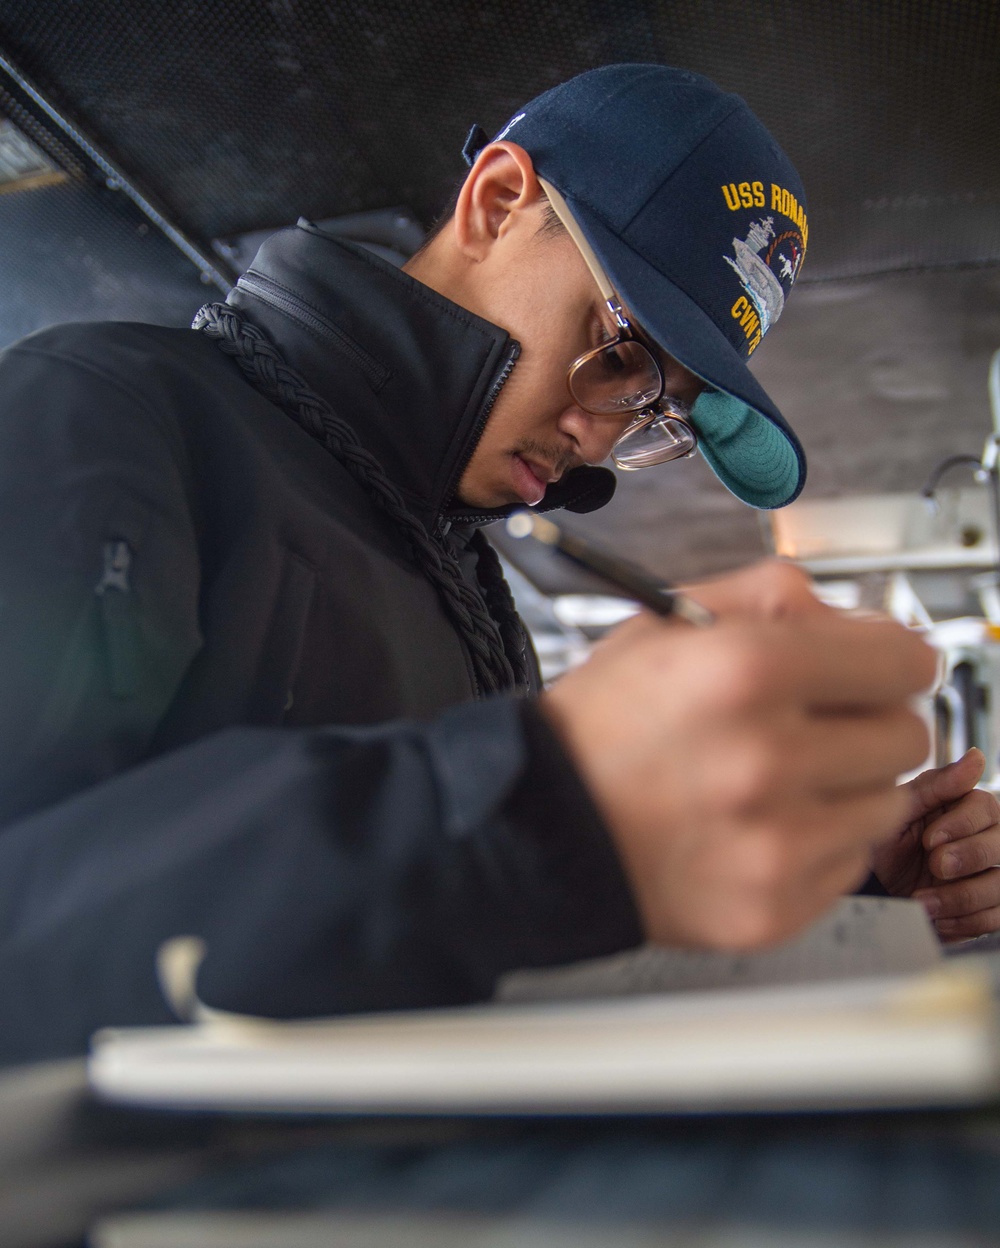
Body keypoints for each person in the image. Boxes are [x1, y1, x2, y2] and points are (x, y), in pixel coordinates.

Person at [0, 65, 996, 1065]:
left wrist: (834, 890)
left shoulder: (473, 596)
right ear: (499, 200)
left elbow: (448, 941)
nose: (599, 441)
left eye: (655, 413)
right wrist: (544, 804)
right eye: (617, 353)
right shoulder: (104, 412)